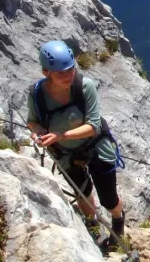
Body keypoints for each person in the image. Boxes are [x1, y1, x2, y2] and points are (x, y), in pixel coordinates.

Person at [26, 40, 125, 250]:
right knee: (82, 192)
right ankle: (93, 225)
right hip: (65, 153)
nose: (68, 75)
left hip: (95, 146)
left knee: (108, 197)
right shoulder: (36, 94)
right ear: (46, 72)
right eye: (60, 72)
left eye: (70, 69)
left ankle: (118, 221)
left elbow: (94, 126)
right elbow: (32, 121)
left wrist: (61, 135)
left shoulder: (84, 86)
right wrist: (39, 132)